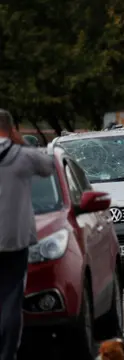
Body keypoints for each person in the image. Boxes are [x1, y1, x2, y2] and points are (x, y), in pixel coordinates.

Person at [0, 109, 55, 360]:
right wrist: (19, 141)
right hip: (14, 241)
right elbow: (49, 166)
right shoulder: (23, 157)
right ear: (11, 129)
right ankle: (7, 354)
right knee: (11, 300)